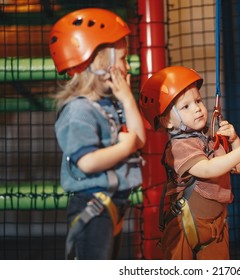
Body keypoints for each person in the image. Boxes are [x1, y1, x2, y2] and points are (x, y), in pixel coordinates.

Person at [139, 66, 240, 260]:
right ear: (167, 122)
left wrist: (234, 141)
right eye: (186, 106)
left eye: (198, 101)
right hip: (185, 227)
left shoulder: (209, 138)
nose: (197, 108)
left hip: (217, 227)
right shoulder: (179, 147)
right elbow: (207, 169)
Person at [49, 8, 146, 259]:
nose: (128, 67)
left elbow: (140, 138)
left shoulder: (110, 104)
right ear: (101, 65)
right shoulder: (78, 111)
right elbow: (88, 162)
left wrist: (127, 99)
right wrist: (126, 147)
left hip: (113, 204)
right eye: (123, 59)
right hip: (93, 207)